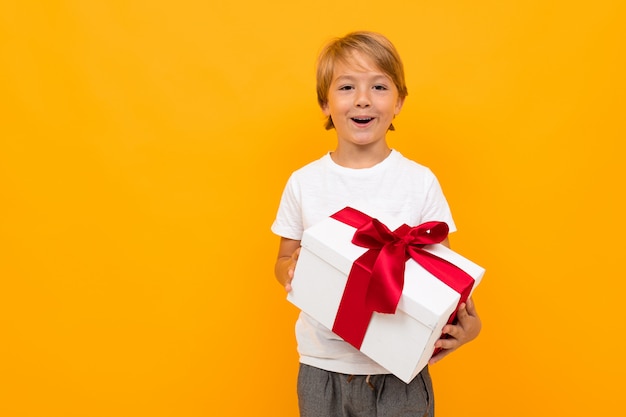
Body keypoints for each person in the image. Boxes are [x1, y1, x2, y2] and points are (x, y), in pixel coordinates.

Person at [271, 31, 481, 417]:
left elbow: (444, 278)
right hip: (323, 366)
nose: (363, 99)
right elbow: (283, 259)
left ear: (399, 101)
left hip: (402, 373)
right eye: (347, 86)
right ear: (325, 102)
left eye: (379, 86)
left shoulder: (419, 182)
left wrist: (468, 326)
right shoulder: (304, 182)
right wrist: (292, 268)